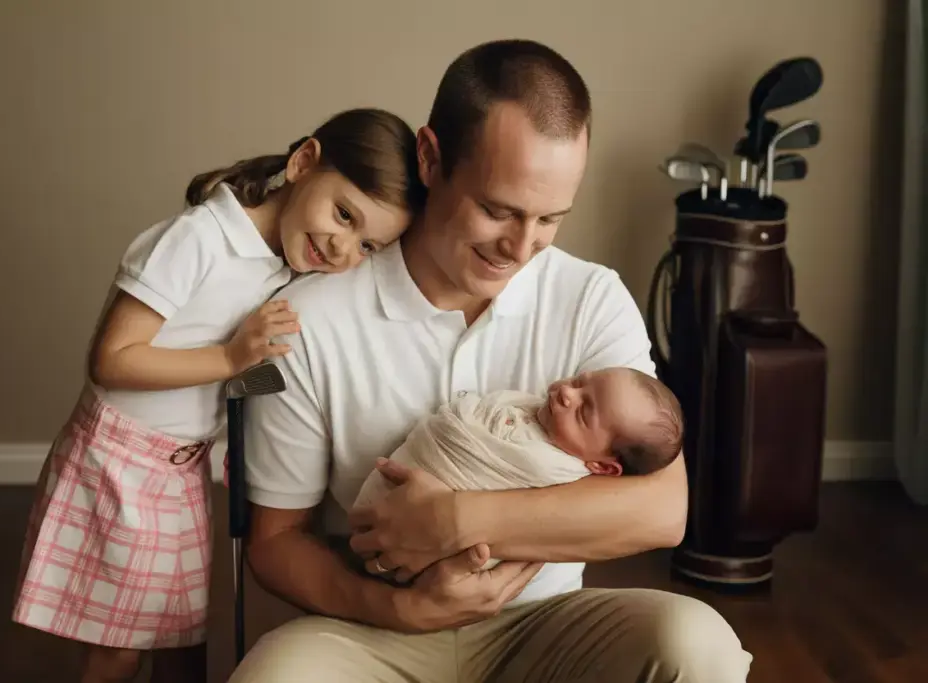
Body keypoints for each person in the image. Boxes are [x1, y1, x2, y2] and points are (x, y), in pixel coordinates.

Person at [229, 39, 753, 682]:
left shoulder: (589, 298)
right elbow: (276, 544)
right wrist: (400, 608)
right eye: (497, 210)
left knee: (700, 645)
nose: (520, 246)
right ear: (430, 158)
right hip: (371, 631)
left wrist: (458, 521)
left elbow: (662, 509)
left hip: (544, 628)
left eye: (549, 219)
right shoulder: (309, 319)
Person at [10, 107, 424, 683]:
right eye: (344, 214)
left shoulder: (286, 273)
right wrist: (233, 355)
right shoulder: (200, 238)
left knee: (180, 637)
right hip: (118, 463)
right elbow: (112, 360)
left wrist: (257, 390)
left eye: (369, 246)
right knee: (118, 648)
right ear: (304, 162)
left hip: (181, 472)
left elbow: (228, 378)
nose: (343, 247)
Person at [351, 366, 685, 580]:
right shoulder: (530, 410)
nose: (568, 393)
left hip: (449, 574)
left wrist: (452, 514)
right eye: (580, 382)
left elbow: (665, 519)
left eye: (584, 412)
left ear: (601, 467)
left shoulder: (557, 469)